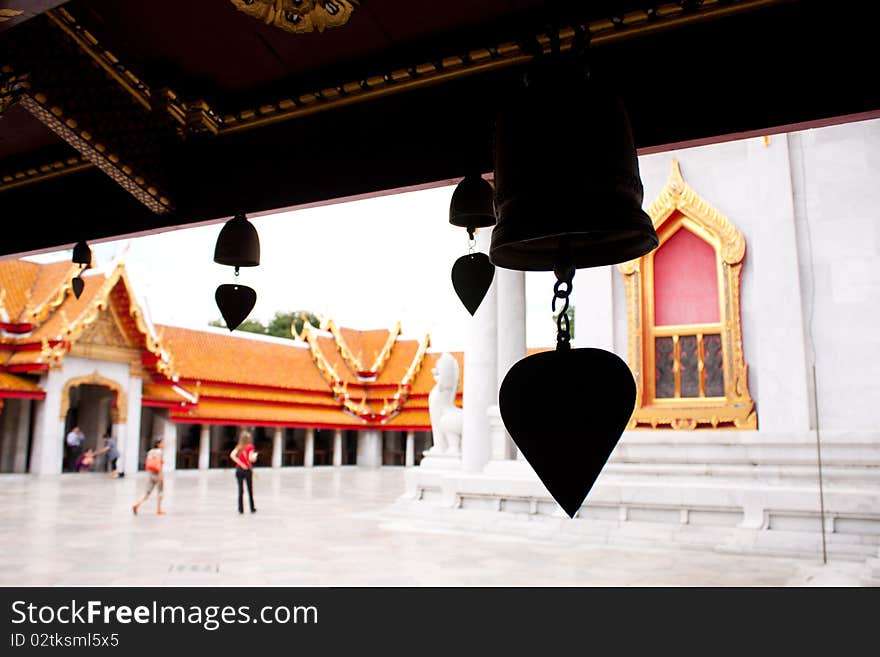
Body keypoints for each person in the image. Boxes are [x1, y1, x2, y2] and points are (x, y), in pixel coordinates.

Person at [133, 438, 165, 515]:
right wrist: (161, 475)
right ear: (158, 444)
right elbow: (159, 464)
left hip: (150, 474)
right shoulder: (160, 452)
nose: (163, 444)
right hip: (158, 474)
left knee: (147, 492)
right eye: (162, 443)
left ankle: (137, 504)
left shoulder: (150, 451)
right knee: (160, 491)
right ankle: (159, 509)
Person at [230, 431, 258, 514]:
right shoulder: (250, 447)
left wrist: (240, 464)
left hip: (239, 470)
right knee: (250, 489)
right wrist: (254, 457)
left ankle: (240, 509)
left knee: (240, 490)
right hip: (247, 470)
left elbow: (232, 455)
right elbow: (250, 459)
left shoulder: (239, 447)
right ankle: (252, 508)